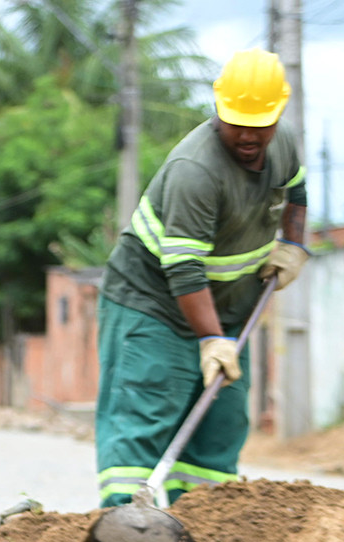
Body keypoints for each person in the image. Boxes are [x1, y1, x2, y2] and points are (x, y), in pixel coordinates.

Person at [95, 48, 309, 508]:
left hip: (231, 305)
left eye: (261, 122)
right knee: (144, 419)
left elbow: (297, 192)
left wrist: (294, 244)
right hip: (153, 305)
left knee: (221, 423)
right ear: (217, 107)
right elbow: (184, 268)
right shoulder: (196, 170)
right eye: (237, 121)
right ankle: (123, 533)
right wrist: (212, 340)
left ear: (279, 113)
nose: (249, 134)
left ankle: (204, 531)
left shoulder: (285, 142)